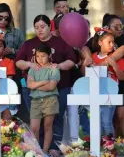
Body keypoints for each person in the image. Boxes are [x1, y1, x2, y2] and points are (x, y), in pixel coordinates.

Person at [16, 15, 76, 156]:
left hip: (59, 88)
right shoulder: (29, 44)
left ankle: (53, 148)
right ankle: (38, 149)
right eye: (37, 28)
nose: (39, 30)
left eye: (42, 27)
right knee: (36, 122)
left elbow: (72, 60)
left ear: (50, 26)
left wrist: (58, 66)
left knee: (56, 118)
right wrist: (31, 64)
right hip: (33, 92)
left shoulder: (61, 42)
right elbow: (18, 62)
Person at [82, 26, 124, 135]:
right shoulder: (92, 57)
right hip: (95, 94)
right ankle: (99, 148)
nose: (112, 45)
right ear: (100, 42)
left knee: (106, 122)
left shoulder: (116, 58)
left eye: (113, 42)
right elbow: (85, 75)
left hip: (110, 94)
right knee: (96, 123)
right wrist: (84, 65)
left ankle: (110, 148)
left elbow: (121, 77)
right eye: (109, 42)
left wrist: (114, 65)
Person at [27, 43, 60, 154]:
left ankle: (44, 151)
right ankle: (36, 151)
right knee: (34, 128)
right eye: (37, 56)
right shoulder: (33, 69)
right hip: (35, 101)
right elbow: (29, 85)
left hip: (50, 100)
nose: (40, 59)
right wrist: (42, 82)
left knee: (47, 126)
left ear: (49, 55)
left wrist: (36, 86)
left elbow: (51, 87)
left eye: (43, 56)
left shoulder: (53, 69)